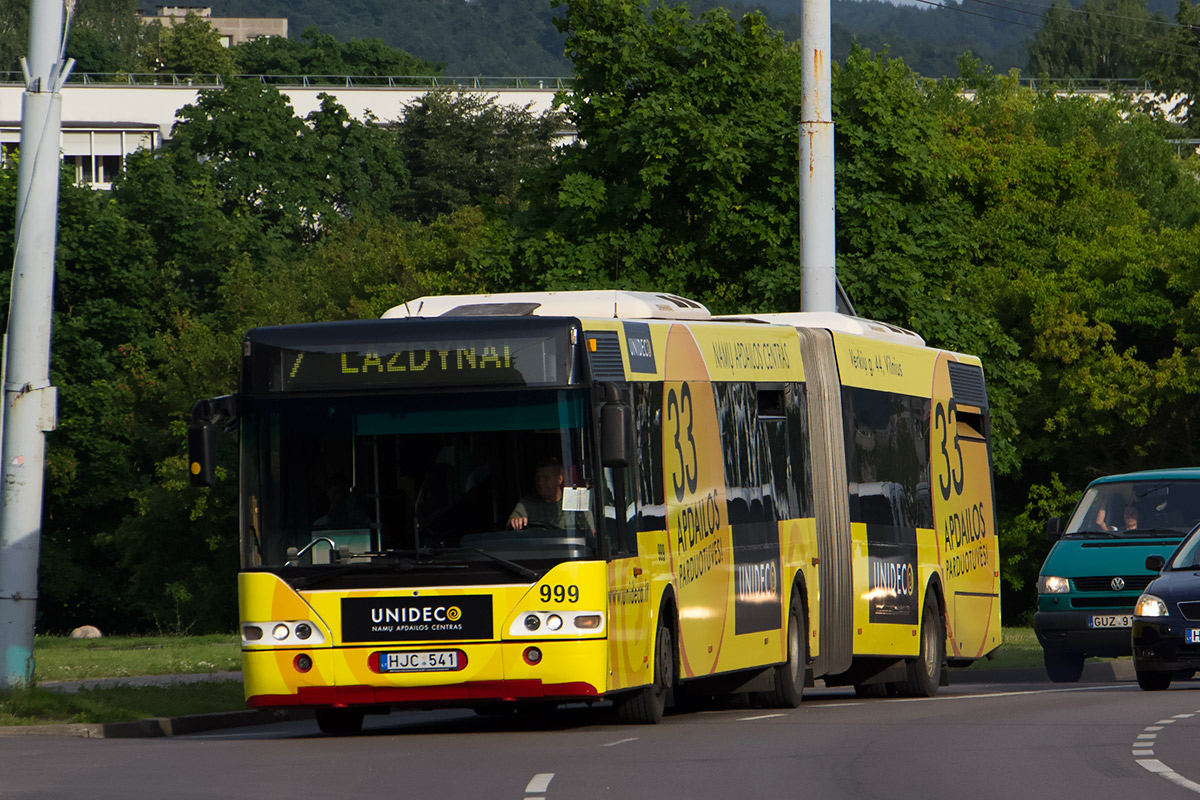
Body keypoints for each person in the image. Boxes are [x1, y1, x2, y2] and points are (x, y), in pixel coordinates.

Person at [508, 457, 593, 531]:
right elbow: (512, 521)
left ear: (559, 479)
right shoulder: (526, 504)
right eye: (538, 478)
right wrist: (515, 520)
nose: (540, 482)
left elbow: (591, 535)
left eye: (545, 478)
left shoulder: (576, 502)